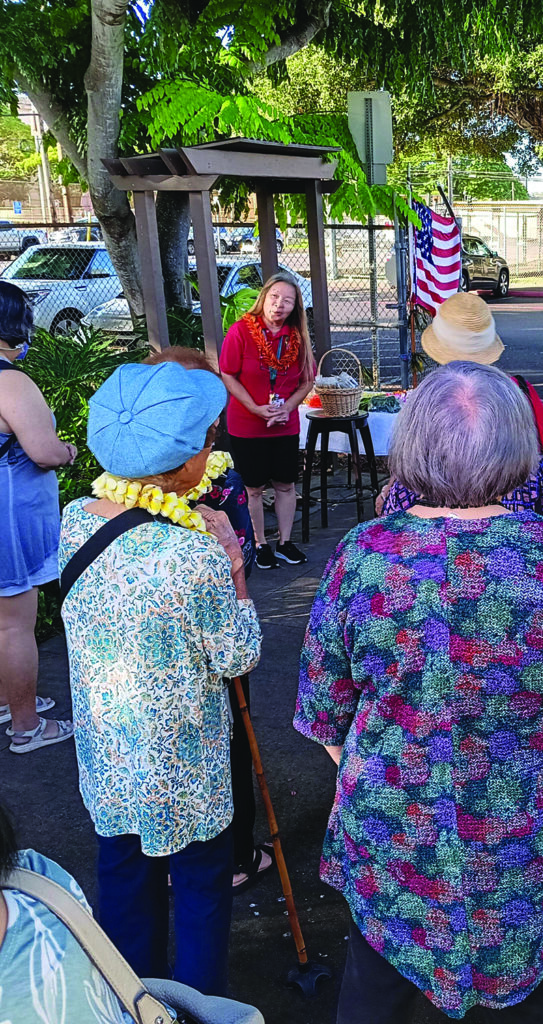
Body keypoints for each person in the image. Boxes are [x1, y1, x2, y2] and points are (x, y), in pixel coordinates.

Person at [295, 362, 543, 1023]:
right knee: (534, 1003)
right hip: (530, 849)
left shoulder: (363, 554)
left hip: (392, 843)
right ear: (517, 447)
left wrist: (386, 776)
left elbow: (326, 716)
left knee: (374, 993)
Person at [59, 361, 262, 995]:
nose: (214, 449)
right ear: (181, 466)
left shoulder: (75, 521)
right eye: (207, 440)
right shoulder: (193, 549)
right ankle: (196, 1007)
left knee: (122, 881)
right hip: (187, 763)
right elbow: (237, 655)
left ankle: (131, 1001)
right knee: (201, 889)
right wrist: (233, 570)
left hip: (110, 753)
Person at [143, 346, 272, 891]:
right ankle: (212, 856)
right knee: (199, 742)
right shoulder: (144, 485)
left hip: (199, 638)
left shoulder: (220, 482)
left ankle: (235, 852)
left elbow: (238, 549)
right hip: (174, 644)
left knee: (230, 741)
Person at [379, 292, 543, 521]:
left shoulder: (423, 401)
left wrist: (390, 489)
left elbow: (406, 471)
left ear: (438, 346)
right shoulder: (519, 392)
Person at [0, 280, 76, 754]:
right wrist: (67, 450)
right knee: (13, 622)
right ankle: (26, 725)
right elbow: (44, 452)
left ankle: (7, 701)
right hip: (9, 514)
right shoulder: (10, 380)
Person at [0, 800, 147, 1022]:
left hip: (115, 788)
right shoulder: (38, 874)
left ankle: (136, 987)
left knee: (122, 861)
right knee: (201, 881)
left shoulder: (36, 873)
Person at [219, 271, 316, 570]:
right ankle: (260, 543)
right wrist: (254, 408)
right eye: (274, 297)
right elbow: (228, 374)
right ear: (263, 299)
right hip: (247, 424)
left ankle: (285, 542)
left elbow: (306, 381)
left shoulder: (297, 338)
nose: (279, 305)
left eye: (287, 300)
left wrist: (288, 407)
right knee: (253, 489)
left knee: (286, 485)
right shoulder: (240, 332)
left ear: (295, 306)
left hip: (284, 424)